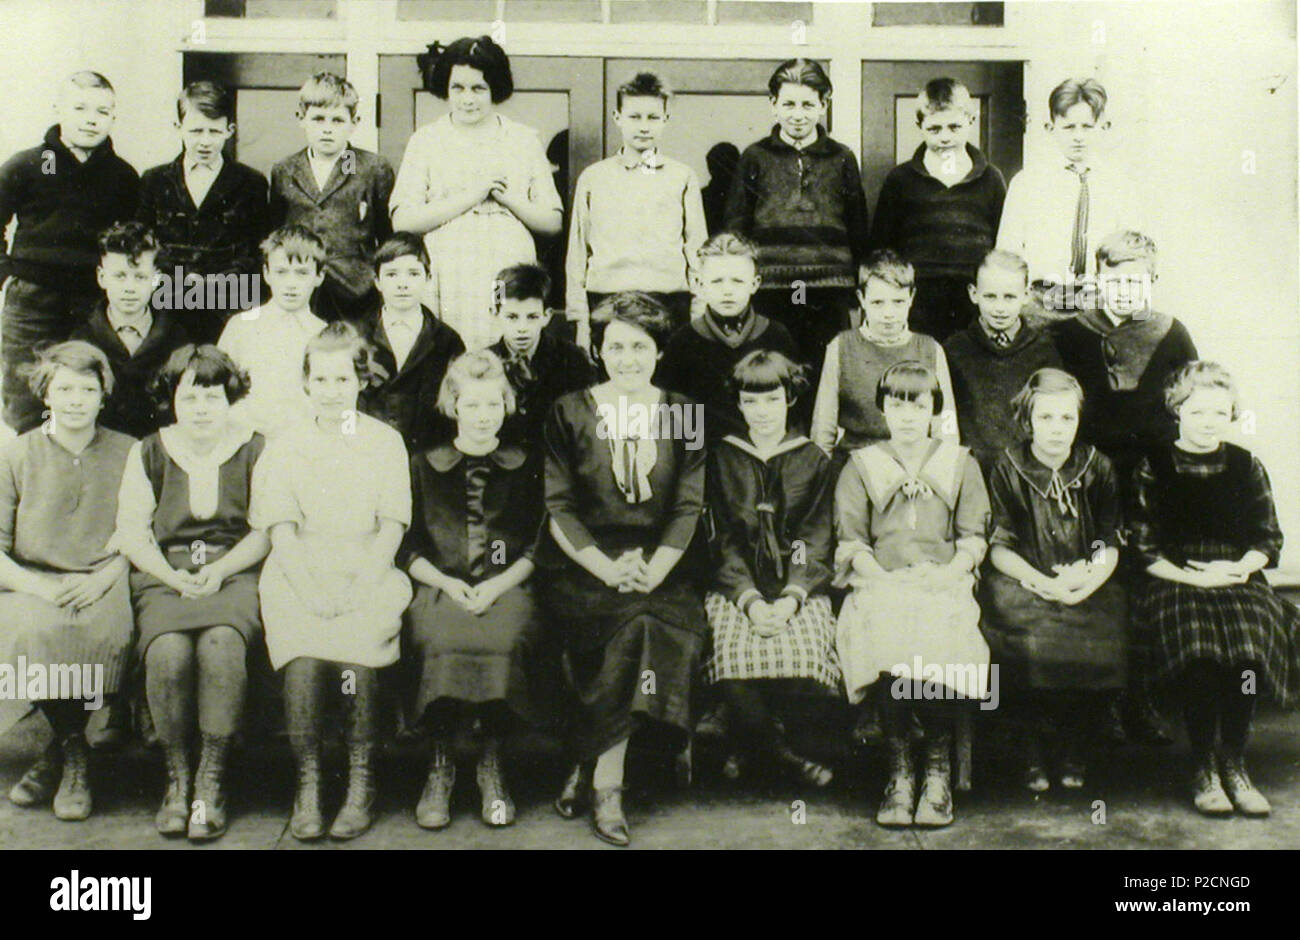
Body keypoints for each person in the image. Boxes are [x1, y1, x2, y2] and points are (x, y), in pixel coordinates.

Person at [539, 293, 706, 847]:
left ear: (658, 353)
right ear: (598, 349)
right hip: (586, 565)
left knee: (650, 625)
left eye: (640, 346)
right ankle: (608, 783)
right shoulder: (570, 410)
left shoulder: (683, 412)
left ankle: (595, 773)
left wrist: (654, 569)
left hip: (664, 564)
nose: (628, 357)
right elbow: (559, 507)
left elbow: (687, 506)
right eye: (616, 346)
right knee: (626, 625)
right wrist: (606, 568)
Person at [250, 322, 412, 841]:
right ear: (306, 383)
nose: (332, 390)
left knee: (355, 657)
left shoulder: (385, 442)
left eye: (342, 379)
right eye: (320, 380)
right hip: (300, 572)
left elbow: (392, 526)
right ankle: (309, 782)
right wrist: (312, 589)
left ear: (360, 381)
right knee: (304, 654)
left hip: (367, 570)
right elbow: (280, 529)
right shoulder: (285, 444)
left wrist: (359, 587)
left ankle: (361, 781)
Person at [1129, 362, 1300, 817]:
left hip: (1237, 577)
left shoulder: (1246, 465)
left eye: (1219, 414)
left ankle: (1235, 759)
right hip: (1175, 577)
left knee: (1246, 653)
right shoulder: (1155, 465)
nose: (1209, 422)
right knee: (1201, 653)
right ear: (1178, 411)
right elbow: (1144, 547)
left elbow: (1268, 538)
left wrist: (1240, 568)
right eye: (1198, 411)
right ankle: (1203, 762)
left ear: (1231, 416)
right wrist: (1195, 576)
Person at [113, 344, 268, 840]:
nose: (201, 408)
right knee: (168, 651)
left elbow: (265, 530)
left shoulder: (255, 447)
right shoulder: (149, 451)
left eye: (213, 397)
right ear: (172, 398)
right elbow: (133, 532)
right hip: (166, 574)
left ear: (231, 398)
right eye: (190, 397)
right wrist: (172, 576)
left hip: (235, 570)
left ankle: (212, 780)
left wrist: (220, 570)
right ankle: (177, 777)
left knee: (222, 644)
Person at [1053, 230, 1197, 744]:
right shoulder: (1070, 335)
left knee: (1146, 581)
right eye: (1115, 279)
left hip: (1151, 476)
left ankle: (1143, 698)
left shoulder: (1171, 334)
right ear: (1098, 280)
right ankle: (1100, 702)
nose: (1126, 289)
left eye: (1137, 280)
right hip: (1087, 474)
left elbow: (1187, 405)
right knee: (1095, 578)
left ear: (1152, 281)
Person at [834, 361, 990, 829]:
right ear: (882, 409)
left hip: (943, 579)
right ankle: (900, 771)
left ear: (933, 410)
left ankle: (937, 771)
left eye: (917, 404)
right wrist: (880, 577)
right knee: (886, 626)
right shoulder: (861, 465)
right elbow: (852, 541)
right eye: (896, 404)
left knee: (940, 629)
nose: (906, 415)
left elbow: (972, 539)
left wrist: (949, 574)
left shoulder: (961, 462)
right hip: (881, 579)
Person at [402, 350, 544, 830]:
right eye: (472, 407)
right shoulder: (423, 465)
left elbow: (536, 543)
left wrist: (498, 584)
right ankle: (440, 762)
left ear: (505, 405)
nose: (483, 418)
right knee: (439, 637)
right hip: (441, 585)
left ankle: (491, 762)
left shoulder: (526, 466)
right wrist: (446, 582)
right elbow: (409, 545)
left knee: (502, 638)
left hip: (507, 586)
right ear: (453, 407)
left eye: (492, 406)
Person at [0, 342, 134, 820]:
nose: (76, 399)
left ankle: (56, 756)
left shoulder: (129, 451)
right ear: (45, 393)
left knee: (106, 631)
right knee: (36, 629)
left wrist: (108, 577)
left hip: (106, 574)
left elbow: (141, 534)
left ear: (104, 396)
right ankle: (74, 753)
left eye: (88, 389)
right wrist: (39, 588)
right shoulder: (18, 453)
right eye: (65, 389)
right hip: (34, 579)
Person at [983, 368, 1127, 792]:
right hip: (1023, 578)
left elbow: (1108, 538)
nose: (1056, 429)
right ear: (1028, 421)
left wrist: (1087, 578)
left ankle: (1073, 744)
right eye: (1045, 418)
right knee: (1029, 638)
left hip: (1083, 576)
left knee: (1103, 628)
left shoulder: (1097, 466)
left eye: (1067, 418)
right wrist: (1040, 582)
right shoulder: (1006, 468)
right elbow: (999, 546)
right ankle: (1030, 746)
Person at [704, 349, 839, 786]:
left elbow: (813, 538)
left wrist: (787, 599)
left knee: (803, 656)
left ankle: (749, 742)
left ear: (790, 399)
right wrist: (749, 600)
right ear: (739, 404)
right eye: (751, 401)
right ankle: (782, 756)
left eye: (772, 399)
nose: (762, 412)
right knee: (732, 654)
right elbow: (723, 539)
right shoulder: (722, 458)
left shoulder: (813, 460)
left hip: (795, 585)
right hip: (738, 584)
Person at [391, 35, 562, 351]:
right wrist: (472, 194)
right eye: (458, 88)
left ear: (494, 88)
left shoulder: (523, 140)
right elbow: (403, 219)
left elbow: (551, 221)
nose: (467, 98)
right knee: (451, 352)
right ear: (446, 87)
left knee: (502, 343)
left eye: (478, 88)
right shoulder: (427, 140)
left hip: (505, 264)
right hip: (448, 267)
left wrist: (508, 198)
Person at [0, 71, 139, 433]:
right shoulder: (29, 164)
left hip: (91, 300)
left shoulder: (123, 177)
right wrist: (6, 272)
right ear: (58, 109)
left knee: (91, 387)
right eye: (79, 108)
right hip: (33, 301)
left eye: (102, 111)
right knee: (27, 393)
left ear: (113, 117)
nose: (91, 119)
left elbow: (131, 241)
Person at [724, 58, 869, 368]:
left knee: (826, 370)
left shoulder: (842, 158)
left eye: (807, 104)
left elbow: (857, 224)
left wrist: (858, 285)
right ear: (773, 105)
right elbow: (737, 227)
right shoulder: (755, 157)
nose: (798, 115)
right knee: (771, 369)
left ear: (824, 104)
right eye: (789, 104)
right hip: (771, 291)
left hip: (829, 291)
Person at [565, 71, 706, 337]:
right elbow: (577, 255)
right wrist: (580, 320)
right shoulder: (594, 178)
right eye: (634, 116)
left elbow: (697, 250)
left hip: (669, 303)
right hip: (607, 301)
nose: (644, 126)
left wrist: (699, 313)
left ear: (666, 119)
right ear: (617, 118)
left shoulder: (682, 176)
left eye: (653, 117)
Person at [870, 78, 1006, 342]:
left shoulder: (991, 178)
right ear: (920, 126)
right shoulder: (901, 179)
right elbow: (882, 248)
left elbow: (1002, 244)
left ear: (971, 120)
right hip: (917, 301)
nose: (945, 137)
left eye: (954, 127)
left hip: (974, 300)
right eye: (934, 129)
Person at [136, 80, 269, 343]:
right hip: (167, 307)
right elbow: (144, 247)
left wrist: (213, 286)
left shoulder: (251, 183)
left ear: (230, 130)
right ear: (178, 127)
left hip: (230, 307)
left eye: (214, 131)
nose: (205, 142)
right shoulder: (154, 180)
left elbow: (256, 251)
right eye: (196, 131)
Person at [997, 78, 1140, 318]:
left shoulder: (1121, 186)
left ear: (1104, 127)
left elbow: (1132, 257)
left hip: (1099, 304)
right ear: (1050, 128)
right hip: (1041, 303)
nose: (1078, 137)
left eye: (1087, 127)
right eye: (1069, 127)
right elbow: (1007, 255)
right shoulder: (1027, 184)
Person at [268, 72, 396, 323]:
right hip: (302, 289)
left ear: (354, 122)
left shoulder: (370, 168)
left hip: (357, 293)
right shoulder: (285, 170)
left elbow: (387, 237)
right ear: (301, 119)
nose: (327, 129)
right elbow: (275, 234)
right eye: (318, 119)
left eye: (337, 120)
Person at [811, 250, 957, 468]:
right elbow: (823, 426)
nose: (888, 313)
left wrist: (942, 472)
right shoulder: (841, 347)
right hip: (855, 466)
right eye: (878, 302)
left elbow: (946, 426)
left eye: (898, 302)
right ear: (861, 299)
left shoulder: (930, 349)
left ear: (911, 298)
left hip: (913, 467)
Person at [656, 233, 799, 445]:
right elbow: (670, 421)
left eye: (737, 281)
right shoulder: (683, 341)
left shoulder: (776, 336)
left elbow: (795, 412)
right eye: (717, 281)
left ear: (755, 283)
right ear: (699, 284)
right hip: (702, 462)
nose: (727, 291)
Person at [942, 249, 1063, 473]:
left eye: (1009, 297)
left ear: (1026, 295)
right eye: (990, 296)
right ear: (973, 293)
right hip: (972, 471)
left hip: (1027, 471)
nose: (999, 307)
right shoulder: (955, 350)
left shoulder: (1043, 350)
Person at [71, 222, 189, 440]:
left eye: (140, 277)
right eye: (120, 276)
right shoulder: (82, 340)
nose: (129, 287)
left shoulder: (176, 338)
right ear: (102, 277)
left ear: (155, 279)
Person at [354, 232, 465, 453]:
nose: (402, 284)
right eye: (392, 274)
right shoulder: (357, 335)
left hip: (427, 455)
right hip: (367, 451)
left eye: (413, 274)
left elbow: (455, 406)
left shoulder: (447, 340)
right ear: (377, 281)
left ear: (428, 278)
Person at [217, 225, 329, 439]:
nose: (291, 284)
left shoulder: (323, 334)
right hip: (245, 442)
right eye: (281, 272)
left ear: (319, 276)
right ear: (267, 274)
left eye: (302, 273)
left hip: (302, 444)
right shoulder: (241, 326)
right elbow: (219, 390)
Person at [486, 262, 594, 450]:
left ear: (547, 316)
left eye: (532, 317)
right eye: (512, 317)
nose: (522, 328)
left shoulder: (573, 360)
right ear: (494, 314)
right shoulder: (484, 363)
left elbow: (585, 426)